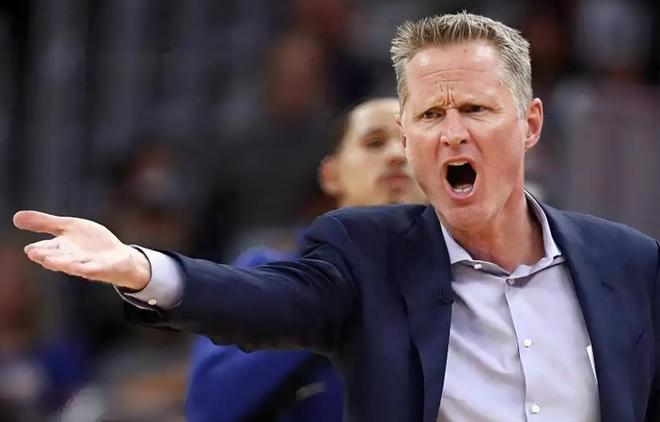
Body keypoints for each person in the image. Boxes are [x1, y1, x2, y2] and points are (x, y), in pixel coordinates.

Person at [13, 13, 660, 422]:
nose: (450, 134)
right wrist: (140, 267)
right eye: (429, 117)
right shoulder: (347, 257)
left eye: (476, 110)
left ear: (531, 125)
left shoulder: (627, 262)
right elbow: (253, 309)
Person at [187, 97, 425, 422]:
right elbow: (209, 406)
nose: (397, 155)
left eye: (412, 143)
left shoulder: (470, 277)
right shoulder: (268, 269)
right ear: (331, 174)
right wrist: (334, 294)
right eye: (374, 142)